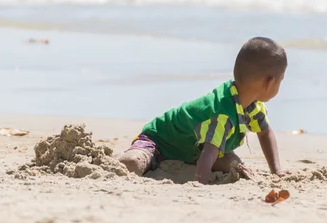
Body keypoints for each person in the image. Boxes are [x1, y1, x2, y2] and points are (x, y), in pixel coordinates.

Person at [118, 37, 288, 184]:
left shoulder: (251, 104)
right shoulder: (222, 114)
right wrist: (201, 183)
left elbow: (265, 133)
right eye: (281, 80)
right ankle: (127, 155)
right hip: (159, 142)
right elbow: (208, 154)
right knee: (133, 163)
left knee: (234, 165)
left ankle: (180, 161)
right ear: (269, 82)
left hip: (191, 150)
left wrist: (277, 170)